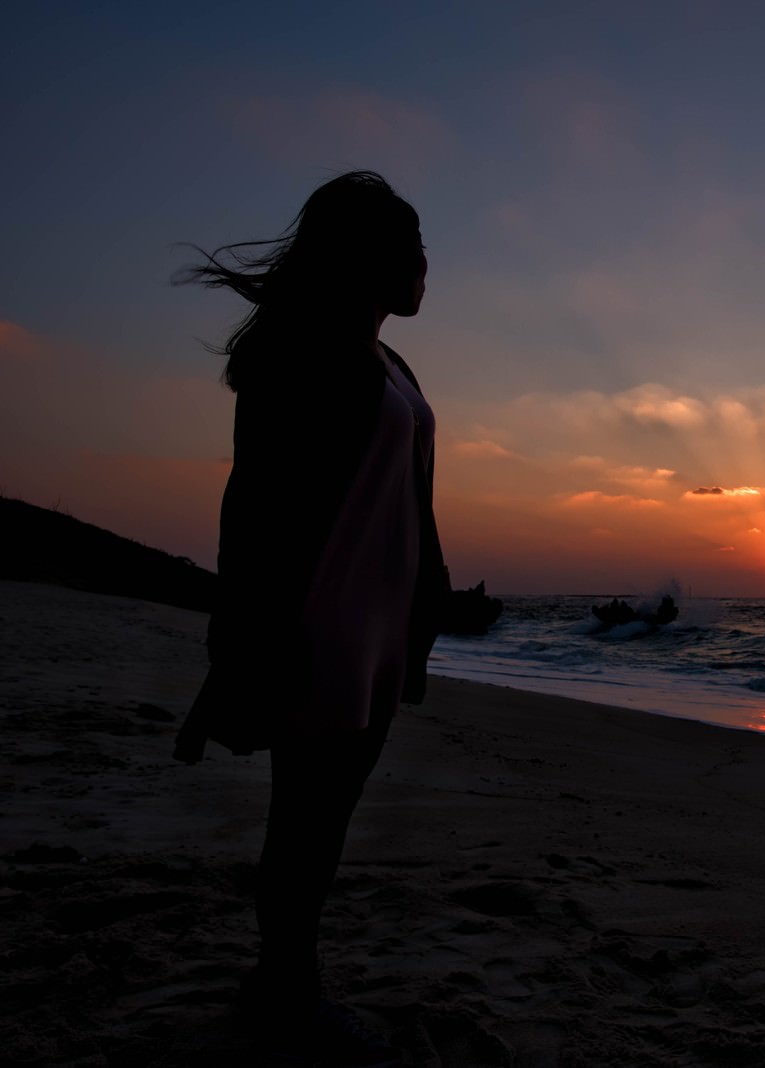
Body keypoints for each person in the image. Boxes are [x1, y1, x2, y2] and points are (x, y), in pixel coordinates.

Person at [172, 171, 448, 1066]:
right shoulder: (304, 352)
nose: (427, 266)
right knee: (308, 817)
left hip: (376, 626)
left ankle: (279, 981)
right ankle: (287, 991)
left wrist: (437, 592)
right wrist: (242, 638)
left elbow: (405, 495)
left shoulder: (390, 363)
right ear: (371, 257)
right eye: (413, 249)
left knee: (328, 813)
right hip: (317, 622)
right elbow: (253, 503)